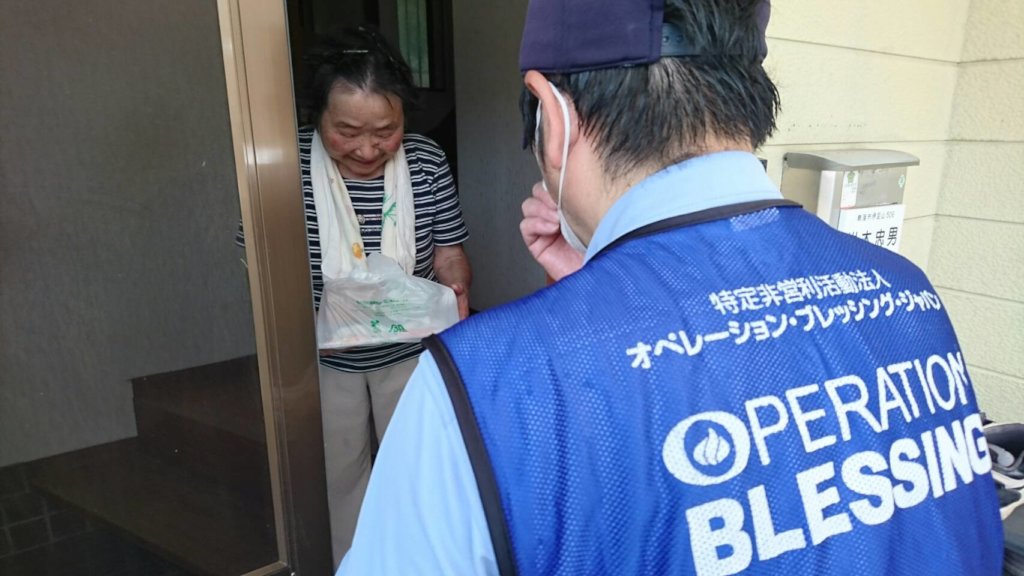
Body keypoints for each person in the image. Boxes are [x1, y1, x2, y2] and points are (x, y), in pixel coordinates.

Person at [337, 1, 1003, 575]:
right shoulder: (907, 292)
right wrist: (600, 299)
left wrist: (596, 323)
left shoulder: (490, 384)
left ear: (552, 115)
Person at [284, 26, 471, 566]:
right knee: (338, 478)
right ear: (317, 117)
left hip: (410, 355)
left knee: (417, 475)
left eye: (386, 131)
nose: (368, 148)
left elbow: (448, 251)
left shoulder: (425, 160)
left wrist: (456, 287)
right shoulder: (286, 163)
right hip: (320, 361)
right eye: (346, 131)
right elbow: (264, 264)